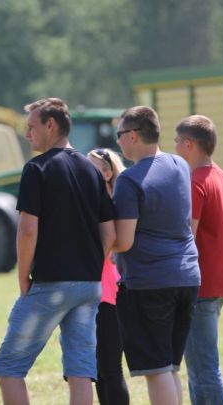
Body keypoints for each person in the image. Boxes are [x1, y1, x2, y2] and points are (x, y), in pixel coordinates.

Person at [0, 98, 116, 405]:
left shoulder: (36, 169)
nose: (27, 134)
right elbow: (110, 232)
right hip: (90, 286)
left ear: (51, 125)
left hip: (51, 283)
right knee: (81, 370)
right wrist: (89, 265)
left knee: (9, 367)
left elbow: (28, 229)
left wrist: (23, 276)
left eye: (32, 127)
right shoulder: (92, 170)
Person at [111, 106, 201, 405]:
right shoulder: (179, 165)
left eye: (119, 135)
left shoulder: (129, 180)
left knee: (157, 369)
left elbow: (123, 241)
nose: (118, 142)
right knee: (171, 367)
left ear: (132, 136)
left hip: (150, 282)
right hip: (187, 276)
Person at [174, 115, 223, 405]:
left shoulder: (194, 181)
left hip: (200, 284)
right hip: (219, 281)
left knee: (203, 368)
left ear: (188, 145)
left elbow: (187, 234)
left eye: (176, 142)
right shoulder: (221, 176)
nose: (174, 148)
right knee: (200, 367)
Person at [86, 149, 130, 405]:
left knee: (110, 369)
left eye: (92, 168)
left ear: (107, 171)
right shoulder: (97, 200)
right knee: (101, 370)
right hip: (96, 292)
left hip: (109, 293)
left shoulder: (112, 204)